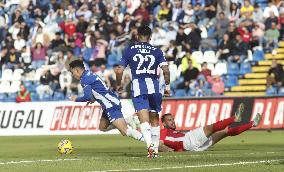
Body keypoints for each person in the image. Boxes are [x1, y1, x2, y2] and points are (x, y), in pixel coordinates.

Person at [116, 25, 170, 158]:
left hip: (139, 87)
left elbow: (119, 70)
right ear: (150, 37)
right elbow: (166, 70)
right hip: (155, 88)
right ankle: (156, 150)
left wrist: (119, 85)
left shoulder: (130, 50)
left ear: (137, 36)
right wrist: (167, 87)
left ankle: (149, 146)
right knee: (154, 118)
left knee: (143, 119)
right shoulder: (157, 51)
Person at [68, 60, 144, 143]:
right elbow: (97, 91)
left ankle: (150, 143)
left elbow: (87, 96)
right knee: (103, 127)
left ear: (77, 70)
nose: (73, 75)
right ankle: (127, 121)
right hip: (109, 103)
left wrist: (76, 99)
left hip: (110, 105)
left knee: (126, 131)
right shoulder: (89, 74)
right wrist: (93, 98)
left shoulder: (85, 79)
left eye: (72, 72)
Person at [159, 104, 262, 152]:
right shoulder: (163, 131)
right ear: (163, 123)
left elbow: (174, 145)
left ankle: (252, 124)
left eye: (172, 119)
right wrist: (168, 150)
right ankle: (235, 118)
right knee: (211, 127)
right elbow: (159, 144)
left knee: (225, 131)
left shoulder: (173, 133)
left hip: (193, 148)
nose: (172, 121)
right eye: (169, 120)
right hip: (188, 140)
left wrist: (175, 150)